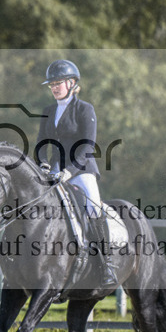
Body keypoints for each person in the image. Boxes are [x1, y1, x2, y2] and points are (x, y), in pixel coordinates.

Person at [36, 59, 117, 287]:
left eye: (58, 83)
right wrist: (43, 164)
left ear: (72, 83)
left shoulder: (85, 109)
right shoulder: (48, 111)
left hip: (81, 170)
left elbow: (87, 146)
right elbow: (42, 143)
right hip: (53, 170)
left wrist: (69, 172)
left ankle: (106, 264)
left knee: (93, 207)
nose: (54, 87)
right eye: (51, 84)